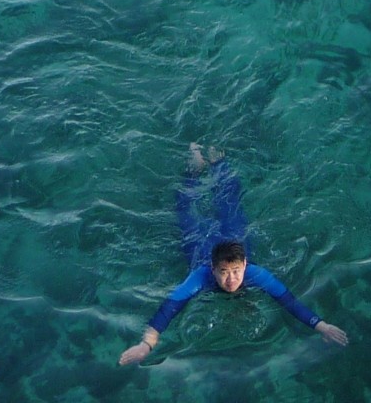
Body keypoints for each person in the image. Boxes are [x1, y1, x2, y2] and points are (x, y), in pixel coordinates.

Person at [119, 145, 350, 365]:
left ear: (245, 264)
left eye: (236, 271)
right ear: (213, 269)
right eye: (224, 273)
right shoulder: (200, 277)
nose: (231, 280)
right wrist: (145, 345)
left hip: (234, 235)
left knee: (230, 202)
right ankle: (194, 168)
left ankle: (219, 162)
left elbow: (289, 302)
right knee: (186, 208)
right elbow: (168, 310)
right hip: (200, 242)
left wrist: (321, 326)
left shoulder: (256, 274)